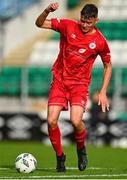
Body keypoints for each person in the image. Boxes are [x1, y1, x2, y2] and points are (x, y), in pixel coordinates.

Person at [35, 2, 112, 172]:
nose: (84, 25)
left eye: (88, 22)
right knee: (51, 121)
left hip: (79, 85)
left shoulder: (99, 41)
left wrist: (103, 91)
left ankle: (81, 149)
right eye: (83, 21)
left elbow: (108, 65)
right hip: (60, 81)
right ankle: (60, 156)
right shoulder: (68, 25)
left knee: (76, 121)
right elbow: (39, 23)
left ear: (96, 21)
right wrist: (47, 10)